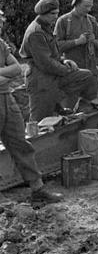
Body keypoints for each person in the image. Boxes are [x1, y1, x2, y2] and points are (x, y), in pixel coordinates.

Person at [0, 30, 63, 203]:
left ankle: (38, 189)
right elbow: (11, 71)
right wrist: (6, 74)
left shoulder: (1, 44)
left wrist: (3, 75)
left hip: (7, 98)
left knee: (21, 144)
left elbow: (16, 69)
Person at [19, 0, 97, 121]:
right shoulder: (36, 32)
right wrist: (66, 69)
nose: (55, 16)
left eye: (57, 13)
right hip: (40, 79)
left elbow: (52, 54)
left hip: (52, 75)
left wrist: (64, 61)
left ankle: (71, 108)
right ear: (42, 14)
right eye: (52, 14)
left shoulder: (45, 27)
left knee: (86, 76)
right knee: (40, 121)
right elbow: (46, 63)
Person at [54, 0, 98, 92]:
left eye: (90, 6)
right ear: (77, 4)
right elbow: (56, 46)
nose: (88, 9)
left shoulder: (92, 21)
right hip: (72, 71)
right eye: (86, 6)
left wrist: (93, 41)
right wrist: (77, 42)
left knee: (91, 100)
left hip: (91, 71)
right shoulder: (63, 21)